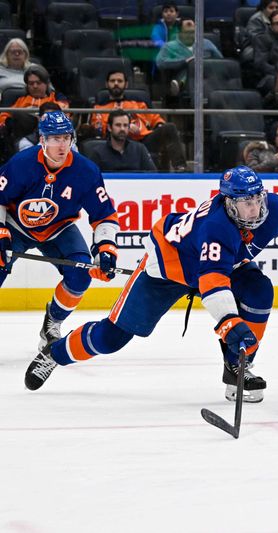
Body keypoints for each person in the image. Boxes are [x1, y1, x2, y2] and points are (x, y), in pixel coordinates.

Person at [24, 166, 278, 399]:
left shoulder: (270, 209)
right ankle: (52, 355)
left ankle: (237, 367)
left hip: (220, 267)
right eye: (244, 203)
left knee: (259, 290)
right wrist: (228, 323)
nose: (254, 209)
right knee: (112, 337)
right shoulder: (218, 227)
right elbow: (212, 282)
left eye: (256, 199)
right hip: (167, 268)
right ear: (227, 203)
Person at [0, 110, 119, 354]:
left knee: (81, 274)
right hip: (16, 225)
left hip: (59, 228)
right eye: (55, 139)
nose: (61, 145)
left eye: (66, 138)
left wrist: (106, 248)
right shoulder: (21, 164)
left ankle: (52, 324)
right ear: (42, 141)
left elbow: (104, 215)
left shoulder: (86, 171)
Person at [89, 70, 187, 172]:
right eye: (112, 81)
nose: (116, 84)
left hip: (144, 141)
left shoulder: (139, 105)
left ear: (126, 84)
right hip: (115, 142)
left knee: (169, 128)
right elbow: (98, 128)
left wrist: (159, 126)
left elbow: (156, 119)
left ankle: (181, 169)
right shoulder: (99, 108)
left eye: (119, 81)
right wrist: (124, 127)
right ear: (107, 84)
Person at [0, 65, 69, 152]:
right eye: (31, 83)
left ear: (46, 84)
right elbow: (4, 115)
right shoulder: (21, 100)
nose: (35, 86)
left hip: (51, 135)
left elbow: (64, 114)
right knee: (18, 115)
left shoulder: (57, 98)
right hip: (23, 135)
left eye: (38, 83)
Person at [156, 19, 223, 96]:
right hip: (184, 77)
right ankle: (179, 86)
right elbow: (160, 62)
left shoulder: (206, 43)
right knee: (189, 69)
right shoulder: (169, 47)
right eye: (187, 33)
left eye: (192, 32)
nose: (190, 35)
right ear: (179, 32)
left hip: (207, 76)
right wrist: (184, 62)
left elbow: (220, 61)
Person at [88, 110, 157, 172]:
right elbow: (91, 177)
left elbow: (153, 175)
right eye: (118, 125)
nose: (122, 129)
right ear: (109, 127)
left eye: (125, 125)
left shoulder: (139, 149)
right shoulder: (98, 153)